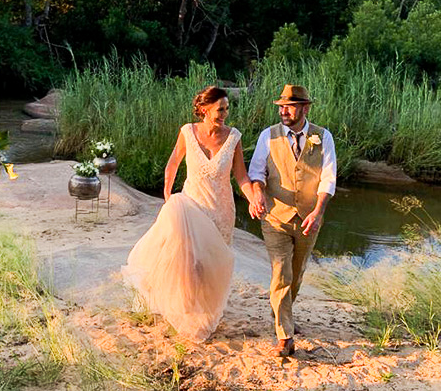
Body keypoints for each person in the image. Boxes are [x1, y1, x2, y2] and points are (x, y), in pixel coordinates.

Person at [122, 86, 261, 342]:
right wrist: (168, 198)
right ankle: (188, 313)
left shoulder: (234, 137)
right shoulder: (188, 132)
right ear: (205, 109)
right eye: (220, 109)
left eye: (227, 109)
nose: (225, 114)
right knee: (191, 264)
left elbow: (241, 176)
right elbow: (173, 163)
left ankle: (207, 313)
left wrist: (254, 199)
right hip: (192, 208)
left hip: (221, 211)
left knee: (213, 265)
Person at [248, 84, 337, 357]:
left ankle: (282, 311)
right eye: (281, 106)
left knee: (296, 275)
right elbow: (256, 172)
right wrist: (257, 193)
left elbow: (328, 178)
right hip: (275, 217)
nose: (283, 111)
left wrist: (318, 211)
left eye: (289, 106)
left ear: (305, 108)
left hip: (310, 218)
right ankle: (285, 336)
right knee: (281, 273)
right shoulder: (268, 136)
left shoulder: (323, 136)